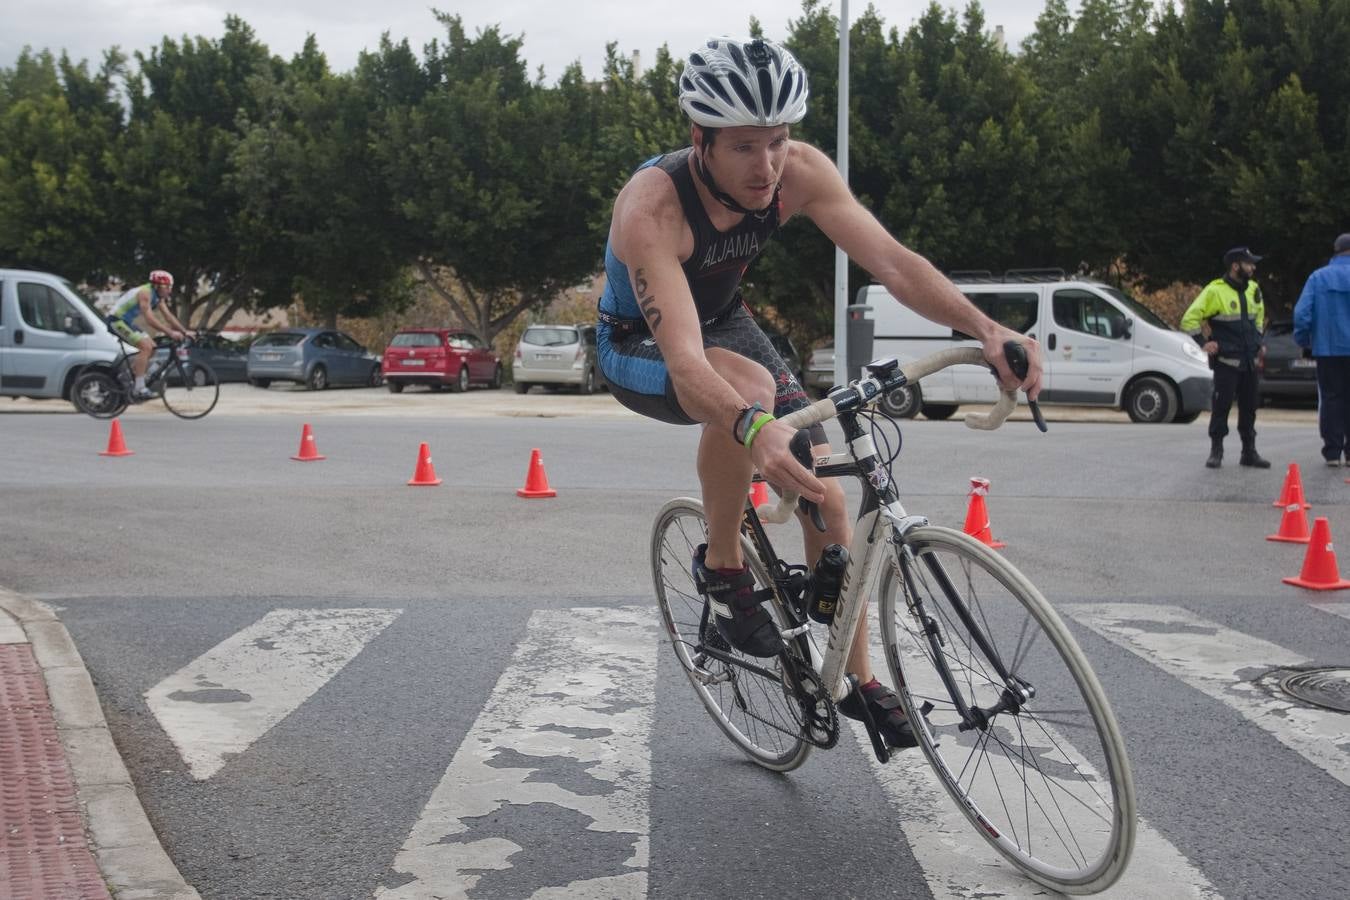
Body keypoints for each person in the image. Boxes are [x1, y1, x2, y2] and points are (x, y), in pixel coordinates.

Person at [596, 37, 1041, 749]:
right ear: (699, 139)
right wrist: (751, 428)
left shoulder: (799, 173)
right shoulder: (652, 207)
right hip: (637, 344)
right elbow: (685, 362)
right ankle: (723, 567)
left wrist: (987, 330)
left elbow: (894, 264)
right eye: (743, 147)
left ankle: (857, 677)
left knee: (827, 492)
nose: (766, 166)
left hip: (726, 324)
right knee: (746, 393)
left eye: (777, 142)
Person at [1180, 247, 1270, 469]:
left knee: (1250, 409)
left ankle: (1249, 452)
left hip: (1249, 362)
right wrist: (1204, 343)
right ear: (1235, 266)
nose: (1254, 267)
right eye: (1249, 263)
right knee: (1221, 407)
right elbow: (1189, 319)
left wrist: (1258, 341)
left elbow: (1259, 318)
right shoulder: (1215, 290)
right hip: (1226, 363)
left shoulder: (1254, 289)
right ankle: (1216, 451)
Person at [1293, 233, 1350, 466]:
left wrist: (1304, 340)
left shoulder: (1318, 277)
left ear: (1335, 251)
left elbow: (1302, 313)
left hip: (1328, 349)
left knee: (1330, 398)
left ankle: (1333, 452)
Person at [107, 270, 193, 400]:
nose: (170, 291)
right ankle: (139, 388)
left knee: (152, 347)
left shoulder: (158, 297)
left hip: (126, 322)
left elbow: (168, 316)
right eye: (168, 287)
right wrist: (170, 333)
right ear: (158, 285)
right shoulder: (145, 293)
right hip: (116, 321)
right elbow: (150, 319)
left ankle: (129, 377)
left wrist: (184, 331)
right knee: (145, 347)